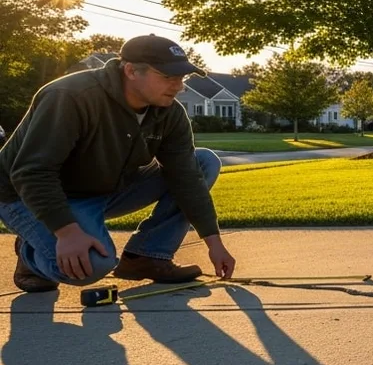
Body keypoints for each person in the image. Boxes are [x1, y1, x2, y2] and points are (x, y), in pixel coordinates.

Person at [0, 34, 236, 293]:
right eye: (168, 77)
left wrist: (214, 243)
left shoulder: (169, 113)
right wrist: (66, 233)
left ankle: (146, 257)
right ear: (131, 71)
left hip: (104, 188)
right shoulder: (70, 97)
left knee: (202, 162)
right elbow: (32, 172)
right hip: (21, 195)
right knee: (92, 266)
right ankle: (30, 255)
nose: (178, 86)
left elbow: (187, 178)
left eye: (182, 78)